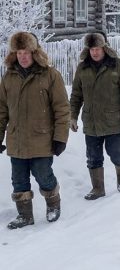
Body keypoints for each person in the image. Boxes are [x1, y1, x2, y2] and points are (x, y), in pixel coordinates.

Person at [0, 32, 69, 229]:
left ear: (34, 53)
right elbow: (1, 110)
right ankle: (25, 215)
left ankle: (53, 204)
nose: (22, 56)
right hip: (17, 139)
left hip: (42, 139)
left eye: (26, 52)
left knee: (43, 175)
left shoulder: (50, 75)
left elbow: (62, 109)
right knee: (18, 180)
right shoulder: (8, 77)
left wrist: (60, 138)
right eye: (19, 52)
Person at [69, 32, 120, 200]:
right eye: (92, 49)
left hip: (113, 120)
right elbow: (76, 95)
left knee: (115, 152)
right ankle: (98, 188)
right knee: (93, 157)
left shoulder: (118, 66)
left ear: (104, 47)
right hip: (91, 121)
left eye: (98, 48)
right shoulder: (83, 68)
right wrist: (73, 116)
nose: (95, 52)